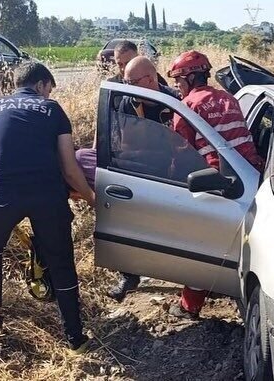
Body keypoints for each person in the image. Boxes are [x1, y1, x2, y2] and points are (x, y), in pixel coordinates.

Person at [0, 62, 95, 354]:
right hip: (46, 195)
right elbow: (69, 168)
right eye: (49, 89)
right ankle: (75, 337)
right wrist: (91, 197)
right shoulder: (53, 110)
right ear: (40, 85)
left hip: (2, 194)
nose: (49, 95)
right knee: (61, 261)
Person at [166, 50, 263, 320]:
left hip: (216, 181)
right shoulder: (230, 98)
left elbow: (180, 153)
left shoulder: (187, 107)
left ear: (189, 78)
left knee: (202, 244)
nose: (177, 86)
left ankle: (189, 306)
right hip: (251, 176)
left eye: (178, 80)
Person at [97, 56, 180, 302]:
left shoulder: (174, 101)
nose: (128, 87)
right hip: (137, 171)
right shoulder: (127, 102)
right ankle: (129, 276)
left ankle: (187, 276)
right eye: (125, 82)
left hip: (172, 174)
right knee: (129, 225)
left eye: (132, 82)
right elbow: (119, 139)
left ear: (151, 79)